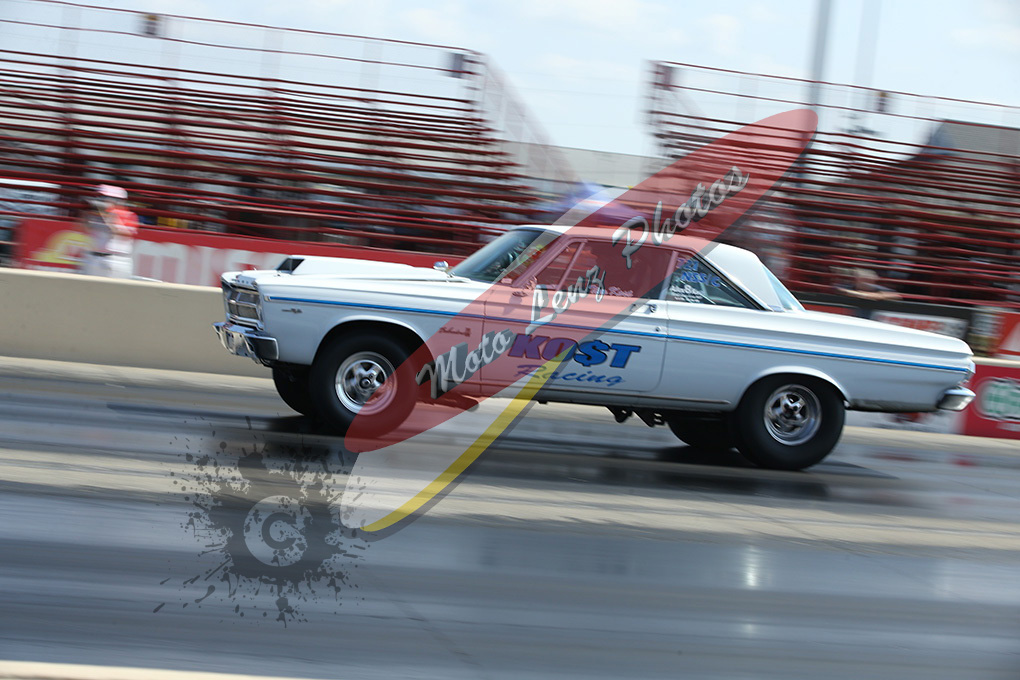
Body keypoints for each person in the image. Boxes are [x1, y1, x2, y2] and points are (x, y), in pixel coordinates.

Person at [78, 184, 138, 278]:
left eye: (104, 197)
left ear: (117, 200)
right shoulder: (95, 214)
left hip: (116, 260)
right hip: (93, 258)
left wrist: (110, 217)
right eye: (100, 197)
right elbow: (84, 228)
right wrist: (87, 213)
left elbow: (125, 234)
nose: (100, 200)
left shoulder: (128, 215)